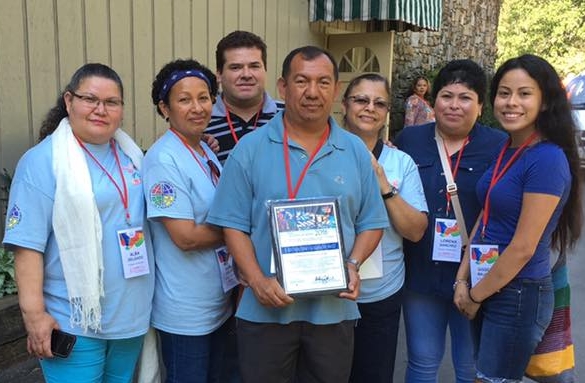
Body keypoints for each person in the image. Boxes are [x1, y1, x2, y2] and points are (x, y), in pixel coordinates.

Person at [207, 46, 388, 383]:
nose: (312, 92)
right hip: (266, 309)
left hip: (333, 311)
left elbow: (372, 223)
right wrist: (257, 280)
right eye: (301, 81)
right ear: (283, 87)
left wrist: (353, 266)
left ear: (335, 90)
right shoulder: (251, 148)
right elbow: (232, 225)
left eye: (323, 82)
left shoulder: (354, 152)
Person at [3, 63, 153, 383]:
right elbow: (27, 245)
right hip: (73, 320)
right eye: (90, 99)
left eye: (112, 102)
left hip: (130, 316)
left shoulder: (132, 156)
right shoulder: (43, 162)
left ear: (121, 109)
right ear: (69, 101)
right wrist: (34, 316)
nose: (101, 109)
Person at [454, 54, 583, 382]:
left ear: (545, 101)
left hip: (518, 291)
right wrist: (462, 278)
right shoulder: (509, 148)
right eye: (504, 92)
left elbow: (524, 246)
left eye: (524, 93)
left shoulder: (547, 159)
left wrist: (475, 295)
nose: (511, 102)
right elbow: (486, 213)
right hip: (488, 280)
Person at [394, 59, 508, 383]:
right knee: (422, 361)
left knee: (471, 365)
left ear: (480, 105)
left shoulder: (499, 146)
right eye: (447, 95)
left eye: (465, 97)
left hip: (476, 275)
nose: (454, 105)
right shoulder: (409, 141)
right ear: (434, 100)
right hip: (421, 273)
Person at [143, 59, 233, 383]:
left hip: (218, 304)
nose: (197, 107)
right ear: (164, 108)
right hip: (186, 313)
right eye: (184, 100)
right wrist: (238, 230)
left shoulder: (205, 149)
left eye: (204, 97)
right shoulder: (162, 160)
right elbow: (186, 237)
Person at [342, 73, 428, 383]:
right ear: (344, 104)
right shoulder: (321, 154)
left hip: (380, 296)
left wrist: (385, 187)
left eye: (379, 103)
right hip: (327, 295)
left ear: (387, 112)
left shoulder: (401, 162)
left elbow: (416, 230)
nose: (370, 108)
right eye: (361, 100)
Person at [205, 30, 284, 163]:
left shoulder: (289, 116)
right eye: (236, 67)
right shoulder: (201, 121)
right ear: (219, 74)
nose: (246, 75)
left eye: (254, 66)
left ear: (265, 70)